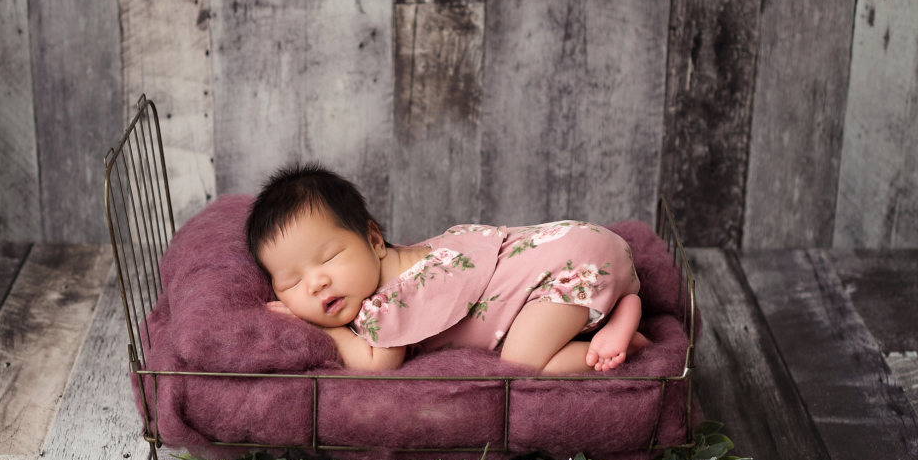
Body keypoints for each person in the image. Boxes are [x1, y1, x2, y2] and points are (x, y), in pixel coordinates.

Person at [246, 162, 650, 373]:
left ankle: (617, 347)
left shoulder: (391, 304)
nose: (316, 283)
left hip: (571, 271)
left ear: (373, 239)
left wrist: (318, 327)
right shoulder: (418, 254)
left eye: (329, 257)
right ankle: (619, 313)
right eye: (292, 282)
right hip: (583, 244)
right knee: (532, 326)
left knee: (519, 365)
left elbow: (376, 365)